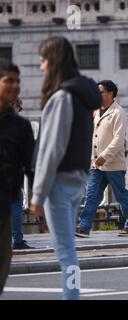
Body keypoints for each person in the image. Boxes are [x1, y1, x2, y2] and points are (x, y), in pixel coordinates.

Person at [31, 37, 102, 300]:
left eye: (43, 60)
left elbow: (52, 148)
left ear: (54, 62)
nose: (41, 67)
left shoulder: (62, 97)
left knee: (65, 251)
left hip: (59, 184)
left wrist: (37, 194)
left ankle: (71, 297)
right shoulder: (83, 96)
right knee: (68, 249)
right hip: (76, 180)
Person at [75, 80, 128, 238]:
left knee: (121, 195)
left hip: (113, 164)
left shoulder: (119, 112)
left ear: (110, 94)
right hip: (96, 164)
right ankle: (84, 227)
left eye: (101, 91)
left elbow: (118, 139)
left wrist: (105, 156)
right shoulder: (96, 111)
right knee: (92, 195)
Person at [0, 60, 34, 295]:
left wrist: (39, 197)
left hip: (4, 205)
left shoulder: (21, 126)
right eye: (8, 81)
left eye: (17, 81)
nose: (15, 86)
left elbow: (32, 165)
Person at [10, 98, 35, 250]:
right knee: (17, 203)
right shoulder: (19, 125)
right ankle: (17, 240)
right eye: (18, 107)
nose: (19, 111)